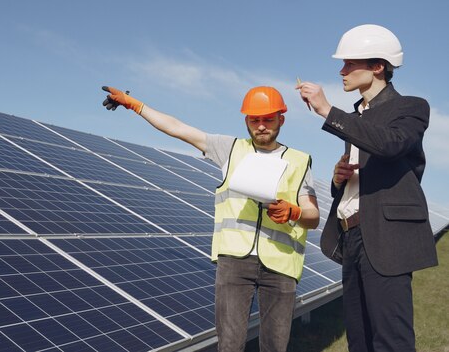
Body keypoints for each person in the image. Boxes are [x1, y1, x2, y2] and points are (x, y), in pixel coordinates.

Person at [102, 85, 320, 351]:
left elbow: (313, 215)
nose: (261, 126)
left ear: (281, 120)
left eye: (268, 119)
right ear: (246, 121)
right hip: (234, 263)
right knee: (229, 344)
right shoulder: (229, 149)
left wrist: (294, 212)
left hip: (281, 266)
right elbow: (178, 128)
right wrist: (137, 106)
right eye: (255, 120)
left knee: (275, 346)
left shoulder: (299, 161)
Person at [296, 24, 438, 352]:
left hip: (386, 238)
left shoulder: (412, 108)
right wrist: (337, 180)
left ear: (377, 67)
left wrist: (327, 111)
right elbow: (359, 185)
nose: (341, 71)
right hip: (352, 237)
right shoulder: (358, 117)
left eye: (349, 64)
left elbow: (391, 144)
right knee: (359, 340)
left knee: (391, 341)